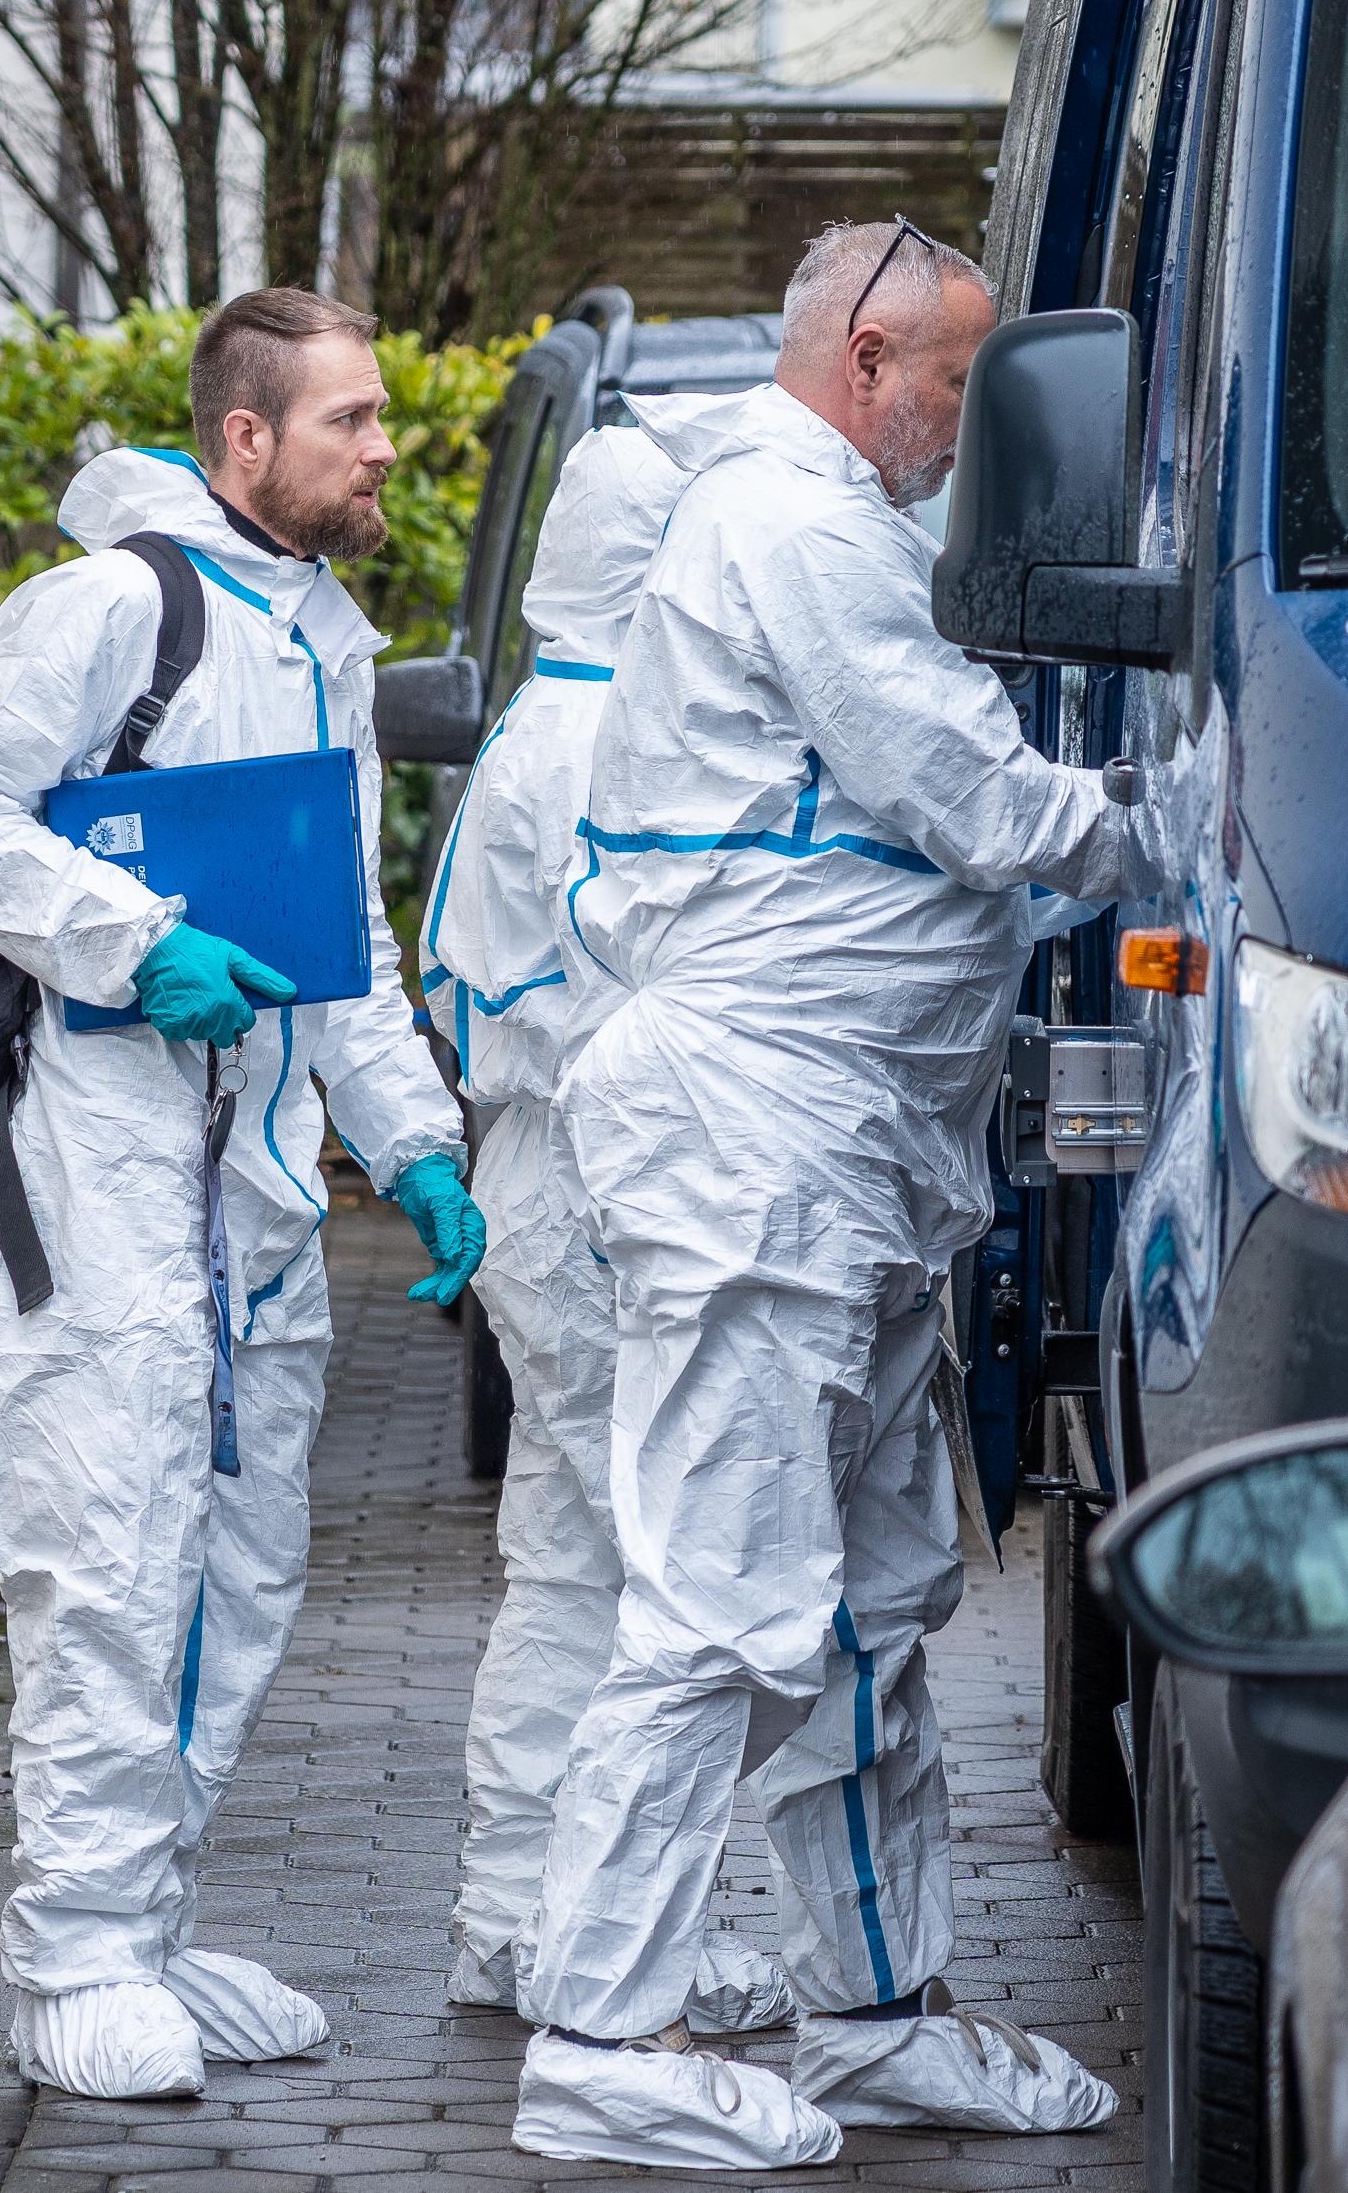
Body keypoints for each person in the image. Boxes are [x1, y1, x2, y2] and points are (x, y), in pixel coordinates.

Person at [516, 222, 1139, 2167]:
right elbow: (963, 791)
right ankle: (597, 2038)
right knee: (715, 1604)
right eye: (951, 380)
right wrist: (1177, 827)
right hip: (751, 1143)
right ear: (872, 353)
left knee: (869, 1604)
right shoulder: (792, 524)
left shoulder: (822, 525)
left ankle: (874, 2010)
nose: (961, 426)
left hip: (847, 1157)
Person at [0, 287, 489, 2101]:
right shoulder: (111, 609)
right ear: (246, 438)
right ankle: (68, 1959)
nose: (386, 446)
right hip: (103, 1153)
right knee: (114, 1539)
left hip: (253, 1174)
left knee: (238, 1559)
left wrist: (418, 1142)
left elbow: (346, 943)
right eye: (352, 421)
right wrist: (134, 941)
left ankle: (144, 1929)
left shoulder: (320, 639)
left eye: (382, 416)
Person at [424, 416, 797, 2043]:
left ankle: (515, 1918)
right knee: (669, 1570)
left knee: (569, 1568)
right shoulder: (618, 749)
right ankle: (622, 1946)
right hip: (606, 1184)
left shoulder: (537, 718)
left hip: (535, 1169)